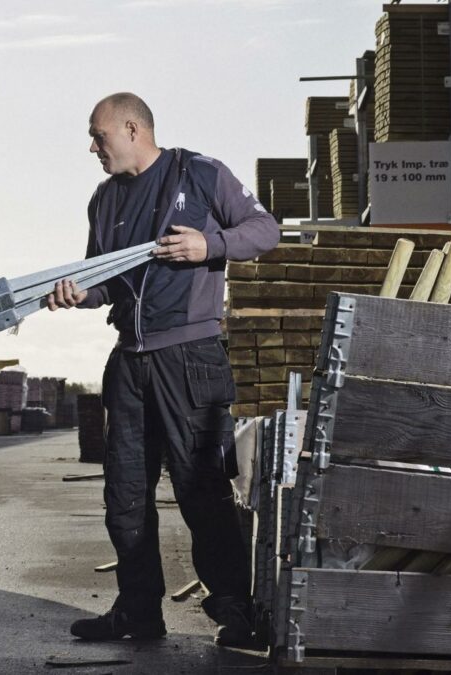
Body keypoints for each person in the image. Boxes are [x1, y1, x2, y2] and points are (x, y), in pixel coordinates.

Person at [47, 93, 279, 647]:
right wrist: (78, 293)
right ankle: (137, 613)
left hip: (190, 356)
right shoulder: (103, 199)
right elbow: (103, 281)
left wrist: (210, 244)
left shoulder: (199, 173)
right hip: (129, 360)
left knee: (202, 490)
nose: (92, 147)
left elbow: (266, 230)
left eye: (98, 136)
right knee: (125, 495)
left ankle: (236, 616)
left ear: (132, 129)